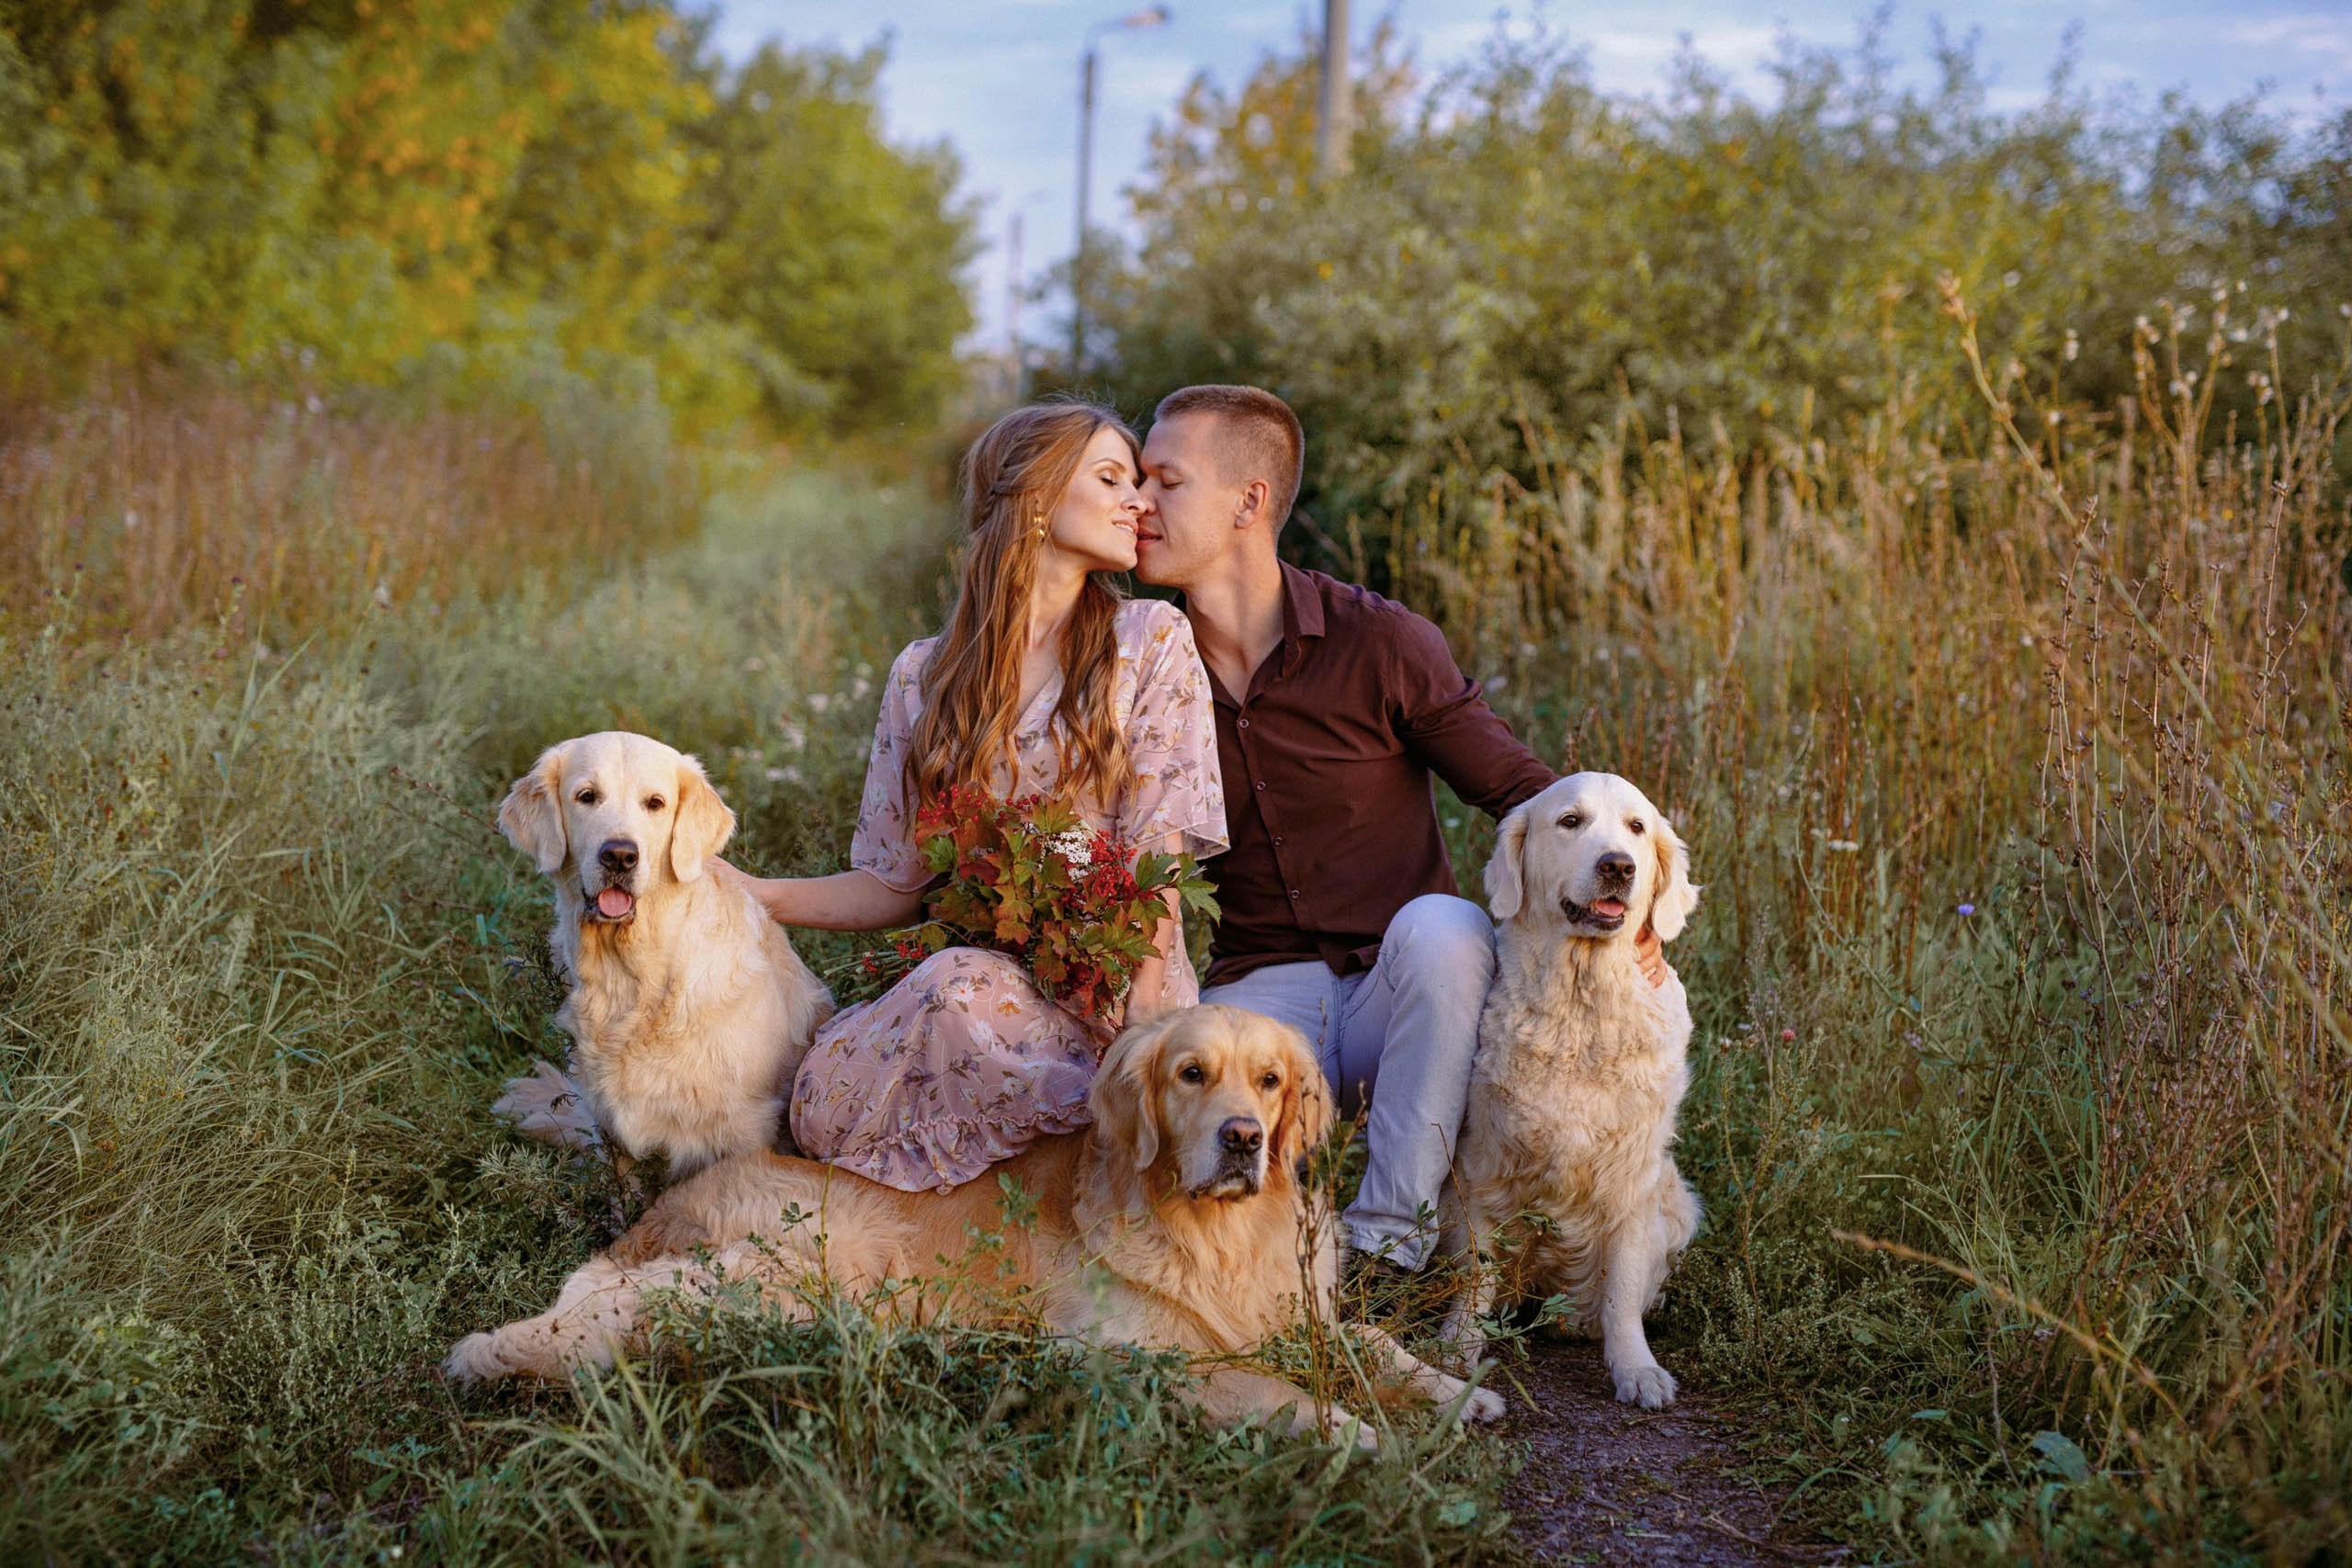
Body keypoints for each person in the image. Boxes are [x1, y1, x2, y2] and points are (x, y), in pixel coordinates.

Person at [1129, 383, 1665, 1284]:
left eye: (1165, 481)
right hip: (1256, 1007)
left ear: (1247, 503)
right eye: (1136, 481)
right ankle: (1229, 1257)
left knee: (1448, 928)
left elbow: (1523, 793)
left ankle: (1389, 1251)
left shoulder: (1380, 643)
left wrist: (1627, 898)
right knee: (1200, 1067)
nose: (1139, 503)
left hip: (1399, 992)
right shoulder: (1142, 661)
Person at [725, 401, 1226, 1193]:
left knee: (956, 992)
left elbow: (1158, 855)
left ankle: (1064, 1167)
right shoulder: (923, 676)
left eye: (1139, 481)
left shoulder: (1149, 640)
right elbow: (893, 883)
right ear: (1033, 496)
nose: (1139, 500)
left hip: (1116, 989)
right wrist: (748, 894)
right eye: (1110, 478)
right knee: (823, 1090)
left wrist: (1148, 1019)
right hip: (972, 982)